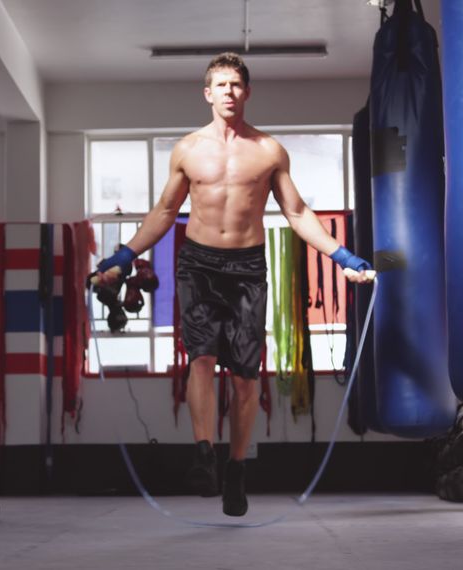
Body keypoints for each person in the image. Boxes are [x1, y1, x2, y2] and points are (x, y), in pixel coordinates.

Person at [93, 53, 375, 517]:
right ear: (208, 94)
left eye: (235, 85)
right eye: (219, 84)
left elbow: (298, 213)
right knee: (201, 359)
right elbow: (165, 212)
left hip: (247, 267)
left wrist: (342, 255)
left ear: (247, 92)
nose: (228, 91)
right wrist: (124, 257)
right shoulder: (187, 149)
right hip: (199, 264)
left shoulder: (268, 151)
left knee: (246, 378)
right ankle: (204, 454)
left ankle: (237, 469)